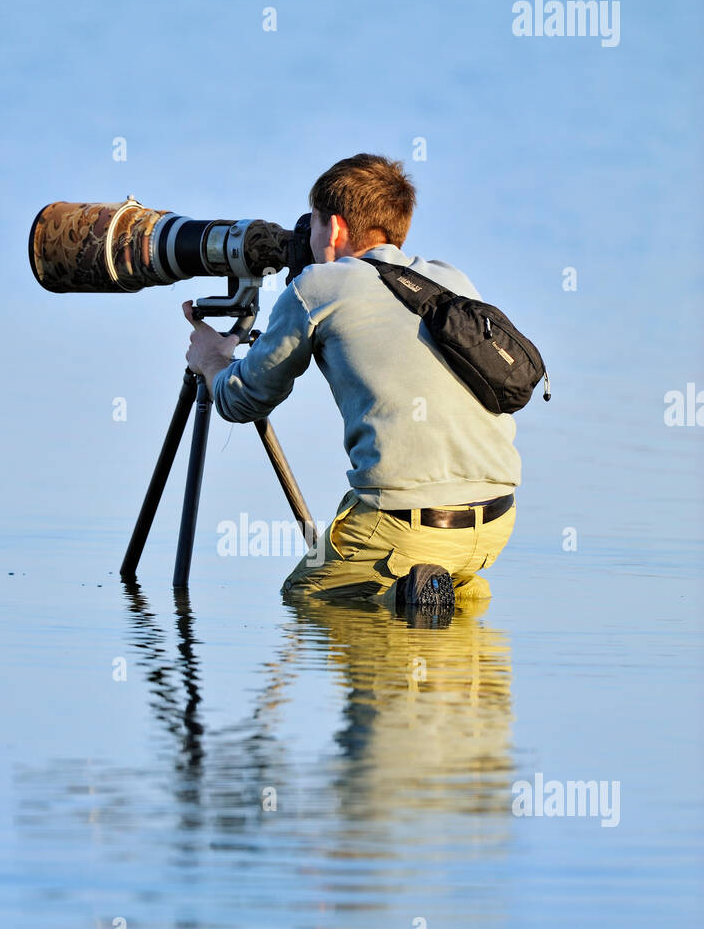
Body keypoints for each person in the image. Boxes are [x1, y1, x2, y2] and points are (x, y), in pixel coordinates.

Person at [183, 153, 521, 615]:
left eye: (314, 224)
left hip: (406, 524)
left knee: (307, 600)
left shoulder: (319, 287)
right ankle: (440, 602)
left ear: (336, 228)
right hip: (495, 521)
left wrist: (213, 362)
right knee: (452, 594)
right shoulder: (449, 278)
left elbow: (243, 400)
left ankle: (409, 603)